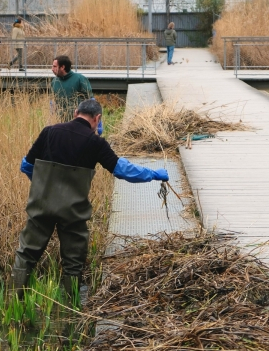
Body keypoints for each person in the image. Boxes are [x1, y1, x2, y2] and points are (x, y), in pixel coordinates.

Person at [11, 98, 169, 300]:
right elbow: (122, 170)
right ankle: (71, 304)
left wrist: (43, 185)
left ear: (76, 112)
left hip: (41, 204)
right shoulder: (96, 143)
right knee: (73, 261)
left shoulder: (49, 132)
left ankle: (15, 299)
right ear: (97, 118)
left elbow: (26, 165)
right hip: (72, 211)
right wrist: (153, 174)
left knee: (26, 254)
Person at [51, 55, 93, 119]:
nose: (52, 69)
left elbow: (90, 100)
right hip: (60, 122)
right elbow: (53, 102)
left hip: (77, 121)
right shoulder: (54, 81)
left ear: (62, 67)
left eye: (54, 66)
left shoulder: (80, 79)